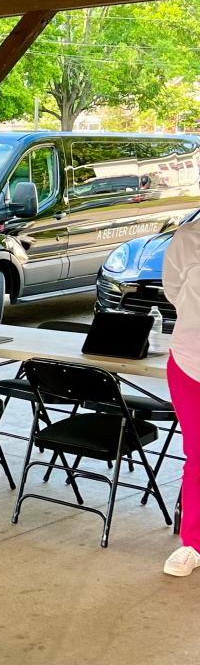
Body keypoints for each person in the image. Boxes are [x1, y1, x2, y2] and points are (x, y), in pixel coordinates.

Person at [162, 218, 200, 576]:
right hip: (192, 363)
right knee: (198, 457)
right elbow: (174, 292)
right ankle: (193, 543)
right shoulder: (189, 237)